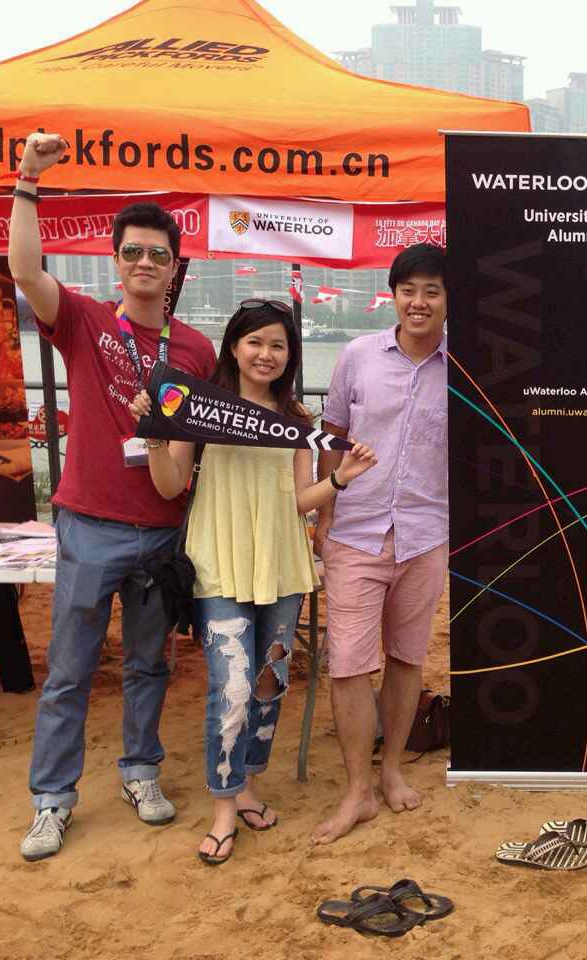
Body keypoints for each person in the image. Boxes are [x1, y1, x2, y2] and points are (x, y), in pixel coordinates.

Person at [8, 132, 216, 862]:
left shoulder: (194, 350)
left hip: (163, 532)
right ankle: (52, 800)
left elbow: (195, 448)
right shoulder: (86, 323)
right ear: (116, 260)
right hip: (89, 523)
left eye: (159, 254)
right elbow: (25, 268)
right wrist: (29, 180)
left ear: (174, 266)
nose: (145, 264)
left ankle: (140, 770)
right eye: (133, 252)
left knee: (150, 664)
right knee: (70, 668)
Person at [127, 300, 377, 865]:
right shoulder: (199, 407)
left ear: (289, 357)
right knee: (230, 685)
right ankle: (223, 801)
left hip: (282, 564)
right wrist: (157, 433)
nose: (266, 354)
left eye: (278, 345)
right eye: (255, 342)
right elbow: (170, 487)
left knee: (269, 682)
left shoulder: (295, 421)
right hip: (219, 561)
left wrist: (339, 478)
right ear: (234, 347)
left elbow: (300, 501)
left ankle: (246, 783)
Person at [309, 243, 450, 844]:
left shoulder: (465, 368)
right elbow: (331, 435)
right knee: (347, 665)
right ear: (392, 294)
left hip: (426, 534)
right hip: (356, 531)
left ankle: (391, 770)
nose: (419, 302)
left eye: (432, 291)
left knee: (406, 658)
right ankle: (356, 792)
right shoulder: (357, 357)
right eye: (409, 290)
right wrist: (324, 509)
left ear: (448, 300)